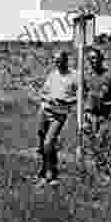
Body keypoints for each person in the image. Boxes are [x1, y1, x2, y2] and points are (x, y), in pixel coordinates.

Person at [34, 49, 79, 187]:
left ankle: (49, 175)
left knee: (48, 143)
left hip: (59, 115)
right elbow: (44, 92)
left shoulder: (75, 75)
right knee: (42, 144)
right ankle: (46, 170)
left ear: (65, 60)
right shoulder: (52, 75)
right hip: (45, 111)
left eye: (59, 60)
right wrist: (45, 100)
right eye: (55, 60)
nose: (56, 63)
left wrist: (67, 101)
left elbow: (81, 95)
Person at [82, 48, 111, 138]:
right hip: (91, 119)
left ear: (101, 59)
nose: (92, 61)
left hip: (106, 118)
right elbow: (83, 94)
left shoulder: (109, 76)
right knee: (92, 147)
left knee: (108, 145)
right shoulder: (87, 77)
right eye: (89, 58)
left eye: (94, 58)